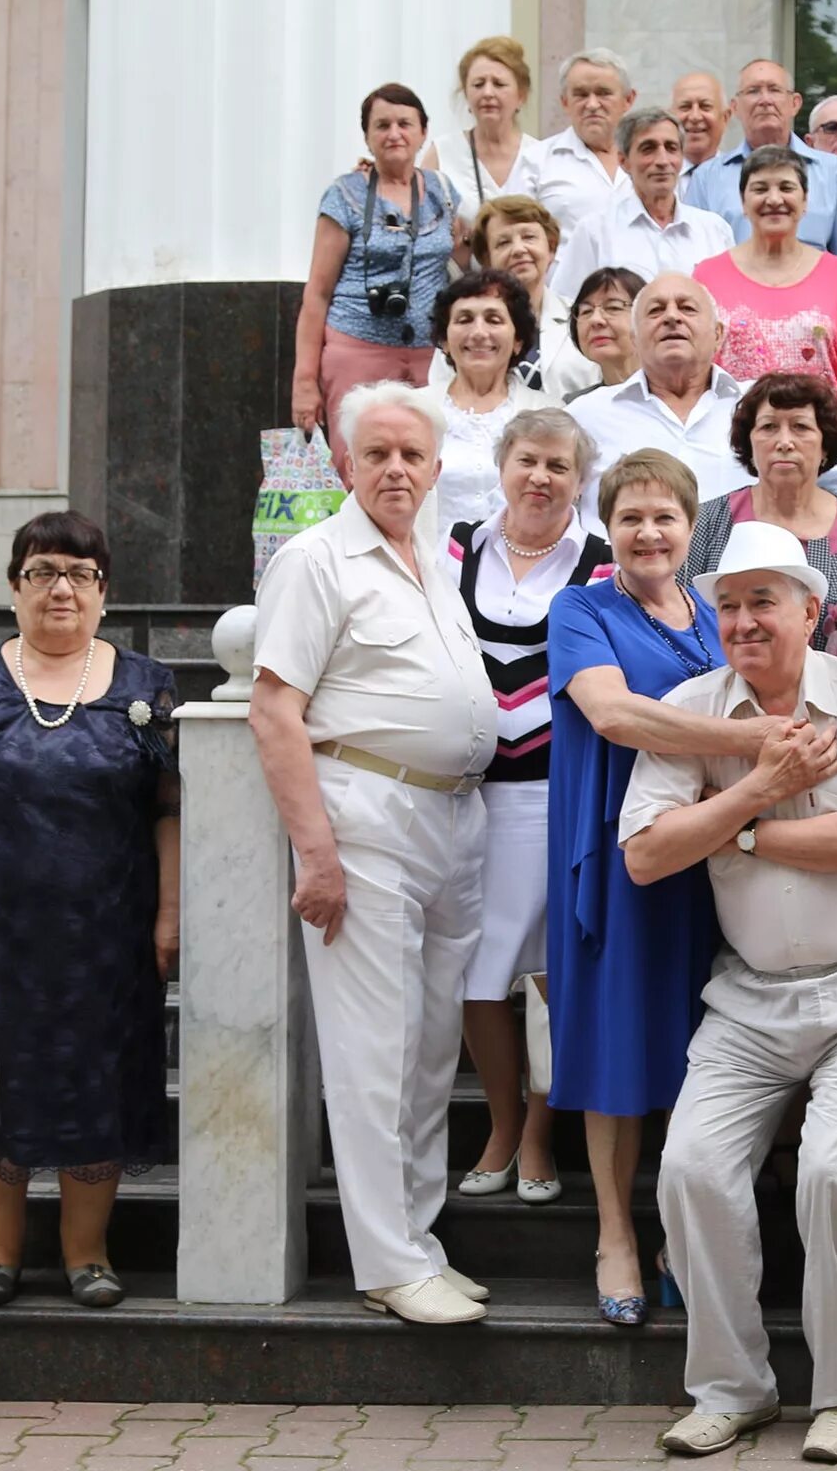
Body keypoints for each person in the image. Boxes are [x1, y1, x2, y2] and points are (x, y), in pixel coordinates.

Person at [625, 523, 837, 1466]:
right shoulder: (692, 707)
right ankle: (732, 1390)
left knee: (836, 1180)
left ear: (815, 611)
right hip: (751, 997)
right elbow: (644, 855)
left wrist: (733, 829)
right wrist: (764, 784)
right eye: (727, 603)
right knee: (691, 1170)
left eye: (765, 601)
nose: (743, 620)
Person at [249, 382, 500, 1326]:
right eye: (378, 454)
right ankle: (387, 1261)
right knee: (374, 1052)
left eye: (413, 456)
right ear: (349, 464)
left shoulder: (433, 558)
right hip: (366, 821)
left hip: (450, 824)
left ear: (437, 470)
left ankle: (420, 1241)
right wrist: (316, 855)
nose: (397, 469)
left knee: (432, 1050)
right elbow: (275, 710)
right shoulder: (316, 560)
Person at [0, 512, 175, 1310]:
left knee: (99, 1082)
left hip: (108, 936)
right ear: (14, 589)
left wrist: (170, 914)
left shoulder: (144, 684)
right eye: (43, 571)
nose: (61, 588)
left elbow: (169, 810)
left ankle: (88, 1254)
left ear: (103, 593)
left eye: (80, 575)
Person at [541, 449, 741, 1326]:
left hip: (713, 850)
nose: (648, 532)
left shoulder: (714, 613)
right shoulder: (581, 606)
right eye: (630, 518)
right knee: (618, 1040)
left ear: (691, 529)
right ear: (607, 526)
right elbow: (613, 713)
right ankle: (614, 1232)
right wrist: (749, 744)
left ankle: (679, 1228)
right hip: (615, 849)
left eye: (664, 517)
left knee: (702, 1046)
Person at [442, 408, 611, 1212]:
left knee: (551, 973)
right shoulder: (455, 549)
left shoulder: (603, 563)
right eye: (528, 461)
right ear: (503, 466)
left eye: (559, 467)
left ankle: (541, 1133)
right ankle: (502, 1126)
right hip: (469, 798)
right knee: (477, 974)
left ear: (582, 482)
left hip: (559, 797)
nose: (541, 478)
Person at [567, 273, 837, 516]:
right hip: (624, 585)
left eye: (687, 308)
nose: (672, 318)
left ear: (718, 334)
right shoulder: (586, 415)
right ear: (634, 338)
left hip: (749, 586)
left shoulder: (766, 403)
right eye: (656, 310)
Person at [682, 373, 837, 659]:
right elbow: (678, 621)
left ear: (825, 445)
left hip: (836, 700)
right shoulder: (709, 521)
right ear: (750, 444)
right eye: (768, 427)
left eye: (800, 427)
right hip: (724, 699)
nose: (784, 442)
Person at [292, 84, 461, 457]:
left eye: (405, 123)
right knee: (359, 460)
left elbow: (466, 256)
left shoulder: (442, 192)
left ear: (423, 132)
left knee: (429, 459)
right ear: (367, 137)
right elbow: (317, 293)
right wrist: (305, 380)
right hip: (357, 349)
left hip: (430, 354)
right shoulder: (345, 194)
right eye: (382, 125)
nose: (394, 133)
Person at [693, 145, 837, 447]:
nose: (774, 199)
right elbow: (697, 372)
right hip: (731, 446)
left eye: (786, 188)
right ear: (743, 201)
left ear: (805, 202)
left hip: (822, 448)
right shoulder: (706, 276)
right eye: (760, 188)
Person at [550, 110, 735, 307]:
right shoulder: (595, 232)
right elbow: (564, 305)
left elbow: (733, 305)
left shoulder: (714, 230)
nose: (663, 161)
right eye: (648, 149)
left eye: (671, 148)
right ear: (623, 161)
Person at [683, 59, 837, 254]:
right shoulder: (706, 178)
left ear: (795, 104)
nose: (765, 100)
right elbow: (693, 256)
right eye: (753, 91)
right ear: (735, 107)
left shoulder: (834, 172)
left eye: (774, 90)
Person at [439, 196, 602, 397]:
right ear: (487, 259)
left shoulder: (583, 320)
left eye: (529, 237)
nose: (518, 249)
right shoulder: (460, 327)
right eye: (503, 242)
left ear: (550, 249)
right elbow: (441, 397)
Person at [423, 267, 540, 538]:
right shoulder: (415, 410)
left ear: (518, 340)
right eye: (464, 319)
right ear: (444, 340)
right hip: (429, 570)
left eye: (494, 320)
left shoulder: (547, 412)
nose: (478, 332)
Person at [423, 38, 549, 244]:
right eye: (478, 84)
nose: (487, 93)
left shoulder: (542, 156)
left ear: (521, 96)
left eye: (499, 84)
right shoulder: (442, 153)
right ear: (466, 94)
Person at [535, 49, 637, 240]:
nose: (591, 104)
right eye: (581, 94)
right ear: (565, 102)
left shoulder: (652, 160)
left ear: (628, 100)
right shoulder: (536, 161)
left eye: (603, 93)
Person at [568, 266, 646, 397]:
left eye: (613, 307)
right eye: (586, 311)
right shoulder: (575, 408)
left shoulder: (681, 398)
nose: (595, 320)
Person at [670, 71, 727, 170]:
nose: (694, 117)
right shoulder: (649, 179)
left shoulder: (741, 176)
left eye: (705, 106)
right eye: (685, 107)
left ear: (725, 117)